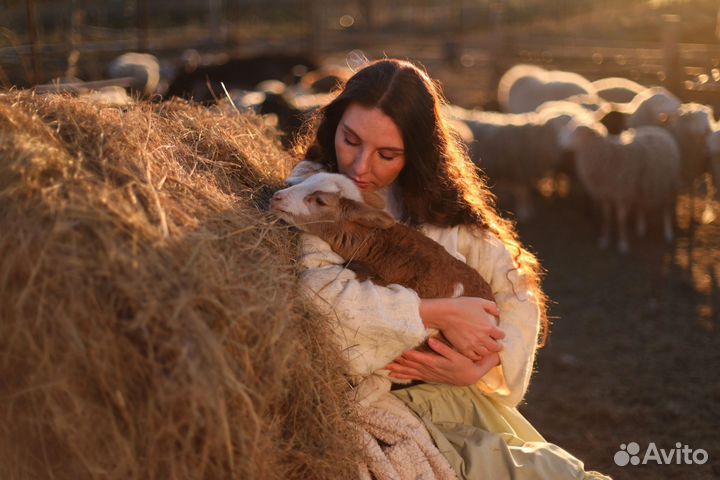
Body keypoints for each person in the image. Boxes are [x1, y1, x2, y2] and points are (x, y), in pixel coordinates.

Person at [288, 59, 611, 480]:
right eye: (350, 140)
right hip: (388, 398)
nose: (360, 167)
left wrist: (483, 366)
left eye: (387, 154)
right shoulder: (318, 193)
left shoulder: (436, 204)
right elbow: (321, 294)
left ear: (417, 153)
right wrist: (435, 313)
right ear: (334, 128)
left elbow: (515, 291)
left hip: (457, 391)